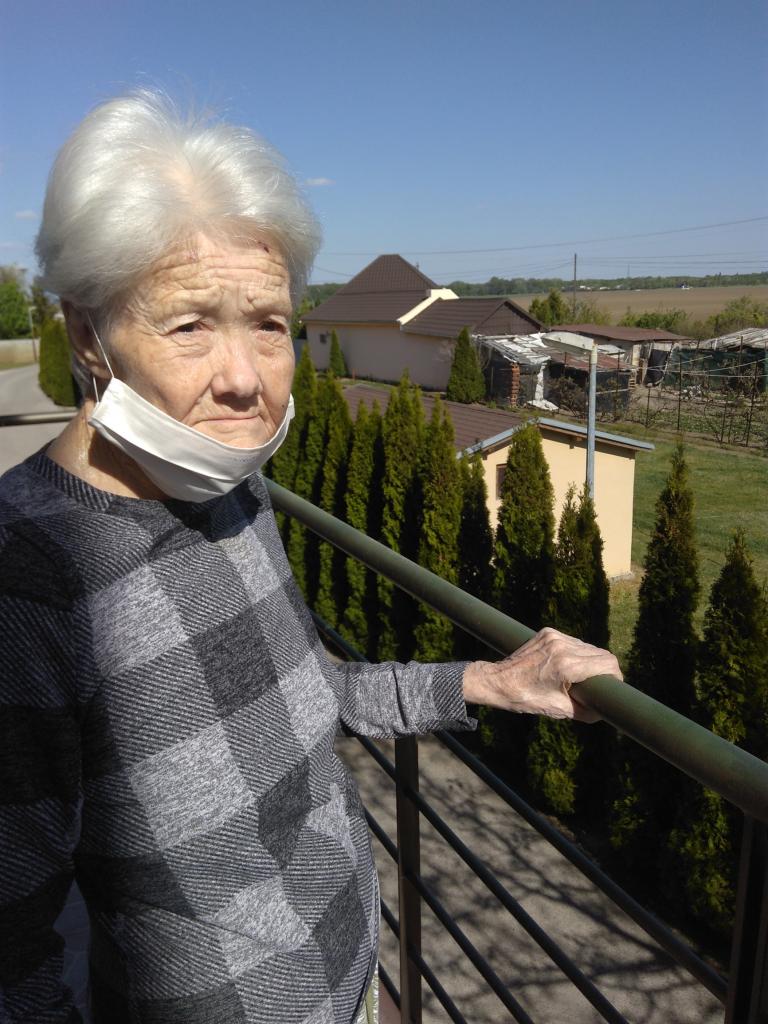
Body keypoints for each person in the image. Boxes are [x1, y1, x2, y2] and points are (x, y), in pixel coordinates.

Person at [0, 90, 621, 1024]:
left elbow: (300, 694)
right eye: (189, 324)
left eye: (268, 322)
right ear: (88, 334)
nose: (245, 378)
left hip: (356, 980)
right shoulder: (27, 575)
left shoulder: (227, 487)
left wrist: (484, 682)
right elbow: (13, 954)